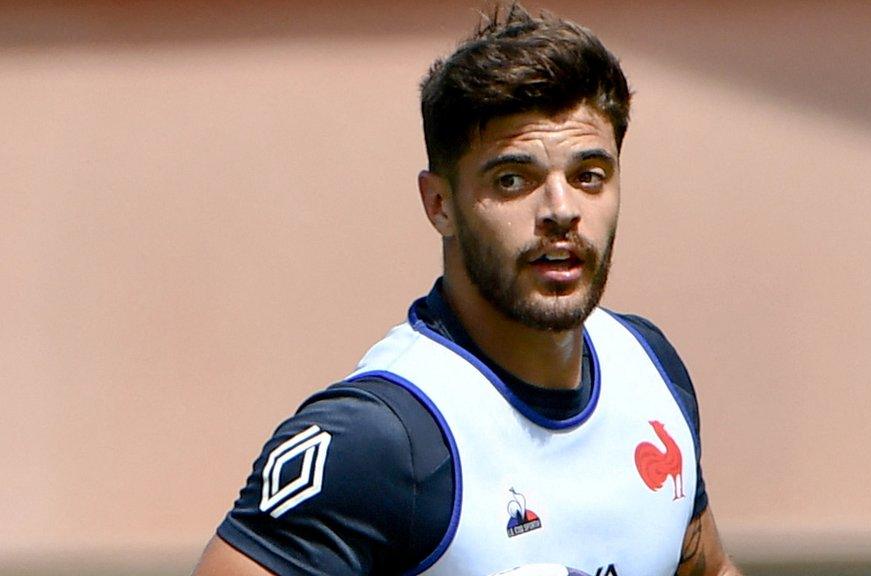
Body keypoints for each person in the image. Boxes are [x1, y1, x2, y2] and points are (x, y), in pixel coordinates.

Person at [193, 4, 742, 575]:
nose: (561, 211)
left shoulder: (649, 366)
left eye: (589, 176)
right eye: (513, 180)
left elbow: (709, 566)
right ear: (440, 204)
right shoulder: (380, 439)